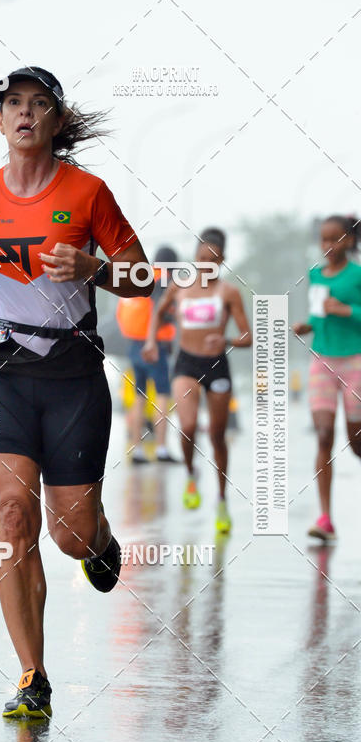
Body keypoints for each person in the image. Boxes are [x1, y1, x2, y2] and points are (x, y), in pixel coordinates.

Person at [0, 66, 152, 719]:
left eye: (39, 104)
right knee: (12, 515)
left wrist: (96, 268)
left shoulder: (88, 193)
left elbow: (144, 279)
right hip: (4, 367)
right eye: (13, 104)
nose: (25, 113)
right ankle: (32, 676)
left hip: (73, 375)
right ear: (1, 121)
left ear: (57, 121)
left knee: (68, 534)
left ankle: (99, 541)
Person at [142, 228, 251, 534]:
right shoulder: (180, 287)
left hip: (217, 365)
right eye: (201, 258)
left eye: (213, 260)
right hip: (186, 363)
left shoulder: (229, 293)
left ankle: (221, 499)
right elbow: (157, 314)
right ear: (195, 258)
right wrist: (151, 342)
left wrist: (227, 339)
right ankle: (191, 475)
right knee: (187, 426)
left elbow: (248, 336)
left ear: (222, 260)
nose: (206, 265)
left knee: (217, 436)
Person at [293, 215, 361, 541]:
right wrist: (304, 326)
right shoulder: (315, 275)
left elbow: (346, 312)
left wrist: (347, 311)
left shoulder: (358, 274)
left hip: (355, 361)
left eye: (334, 239)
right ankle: (325, 519)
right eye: (323, 240)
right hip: (322, 360)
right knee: (323, 435)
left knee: (357, 442)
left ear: (349, 240)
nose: (327, 246)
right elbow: (319, 317)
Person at [117, 245, 179, 464]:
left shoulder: (140, 277)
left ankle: (138, 451)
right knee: (163, 394)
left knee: (139, 395)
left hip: (134, 344)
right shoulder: (164, 282)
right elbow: (163, 313)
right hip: (155, 345)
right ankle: (162, 449)